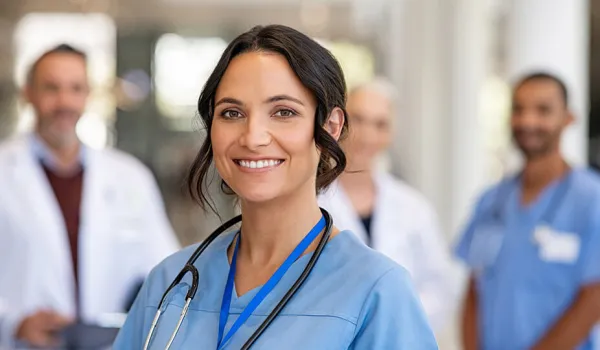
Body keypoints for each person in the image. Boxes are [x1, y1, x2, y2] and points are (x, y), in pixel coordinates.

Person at [114, 25, 438, 349]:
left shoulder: (377, 292)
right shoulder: (171, 283)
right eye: (231, 112)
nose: (253, 137)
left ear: (331, 127)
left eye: (284, 112)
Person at [0, 44, 180, 348]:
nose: (64, 102)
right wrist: (11, 322)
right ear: (27, 93)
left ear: (88, 95)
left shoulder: (130, 177)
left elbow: (167, 270)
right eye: (51, 88)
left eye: (75, 88)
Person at [455, 72, 600, 350]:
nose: (528, 121)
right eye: (519, 109)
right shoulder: (491, 201)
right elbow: (474, 290)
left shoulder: (592, 200)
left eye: (543, 110)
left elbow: (594, 299)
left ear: (569, 118)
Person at [318, 78, 456, 332]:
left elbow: (439, 287)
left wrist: (396, 319)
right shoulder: (311, 202)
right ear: (336, 122)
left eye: (380, 124)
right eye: (358, 119)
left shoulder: (414, 208)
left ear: (391, 134)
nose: (367, 134)